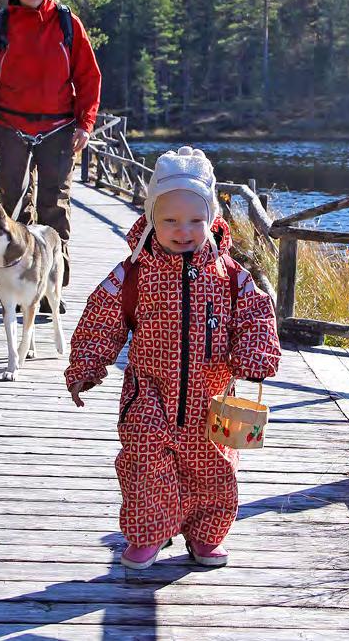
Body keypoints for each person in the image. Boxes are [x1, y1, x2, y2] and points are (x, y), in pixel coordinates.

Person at [65, 147, 281, 569]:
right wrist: (86, 366)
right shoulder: (133, 273)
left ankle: (205, 535)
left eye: (195, 220)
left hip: (211, 397)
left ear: (213, 219)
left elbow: (256, 317)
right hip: (149, 394)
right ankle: (149, 532)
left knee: (214, 471)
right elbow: (100, 318)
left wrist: (254, 353)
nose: (183, 230)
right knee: (144, 461)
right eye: (170, 220)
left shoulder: (232, 277)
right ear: (150, 219)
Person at [0, 0, 101, 300]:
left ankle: (53, 286)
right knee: (13, 201)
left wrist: (85, 124)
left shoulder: (67, 25)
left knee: (53, 204)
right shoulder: (0, 26)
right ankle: (17, 277)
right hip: (11, 126)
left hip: (58, 128)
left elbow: (88, 77)